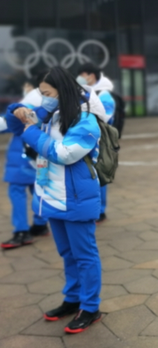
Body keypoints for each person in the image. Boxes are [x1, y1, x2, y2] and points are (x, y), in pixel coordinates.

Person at [5, 67, 107, 333]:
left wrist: (31, 131)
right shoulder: (52, 115)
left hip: (75, 200)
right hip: (52, 197)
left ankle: (90, 306)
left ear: (62, 91)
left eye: (47, 93)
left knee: (84, 256)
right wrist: (16, 109)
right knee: (67, 253)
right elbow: (17, 126)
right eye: (41, 94)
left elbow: (63, 153)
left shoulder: (86, 120)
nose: (43, 99)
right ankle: (72, 300)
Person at [1, 75, 49, 249]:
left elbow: (4, 124)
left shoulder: (27, 106)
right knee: (39, 191)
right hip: (41, 158)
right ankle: (40, 224)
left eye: (27, 85)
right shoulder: (49, 104)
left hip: (22, 159)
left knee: (16, 191)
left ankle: (21, 231)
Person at [76, 63, 114, 222]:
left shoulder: (104, 95)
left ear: (91, 75)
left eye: (82, 74)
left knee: (100, 172)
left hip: (101, 140)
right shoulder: (86, 92)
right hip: (89, 138)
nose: (80, 78)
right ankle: (95, 208)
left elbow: (105, 118)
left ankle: (100, 210)